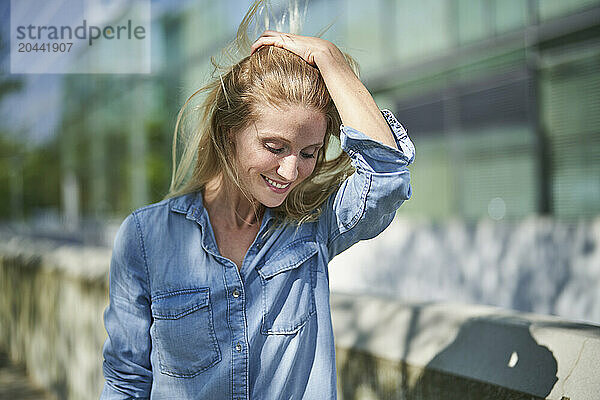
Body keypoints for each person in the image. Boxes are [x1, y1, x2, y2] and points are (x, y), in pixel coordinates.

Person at [100, 3, 415, 399]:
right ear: (230, 132)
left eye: (308, 152)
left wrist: (332, 63)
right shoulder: (146, 238)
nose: (290, 171)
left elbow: (387, 178)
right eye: (274, 146)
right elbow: (126, 381)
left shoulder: (313, 226)